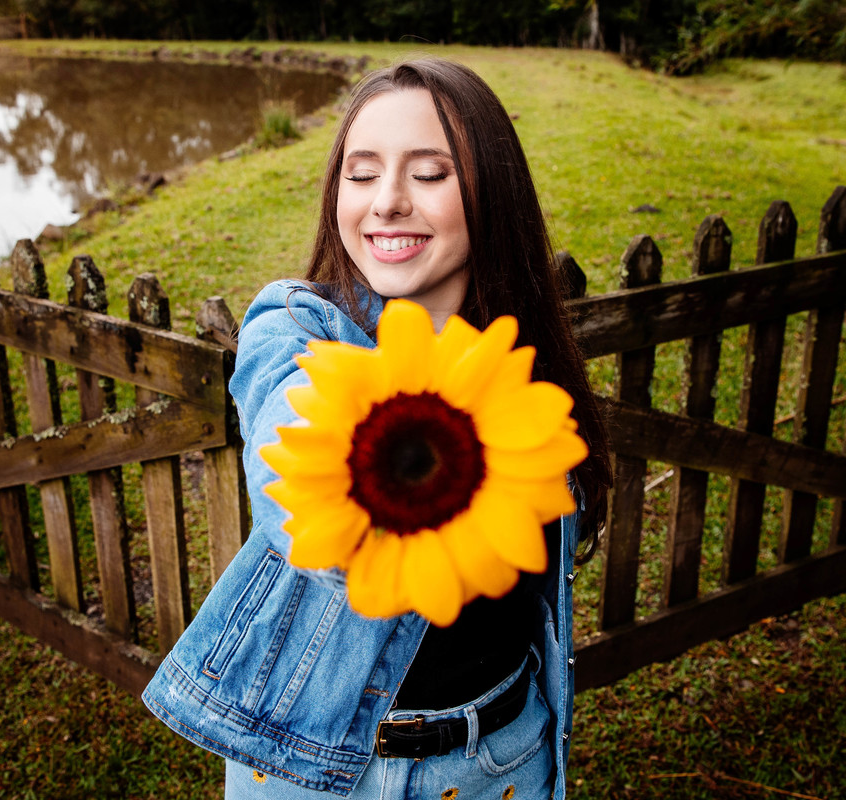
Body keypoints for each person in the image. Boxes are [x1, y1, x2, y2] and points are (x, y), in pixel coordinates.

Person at [142, 57, 611, 799]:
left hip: (498, 758)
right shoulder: (294, 330)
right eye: (361, 175)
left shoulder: (514, 359)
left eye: (429, 173)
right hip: (311, 773)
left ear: (494, 192)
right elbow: (291, 487)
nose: (387, 202)